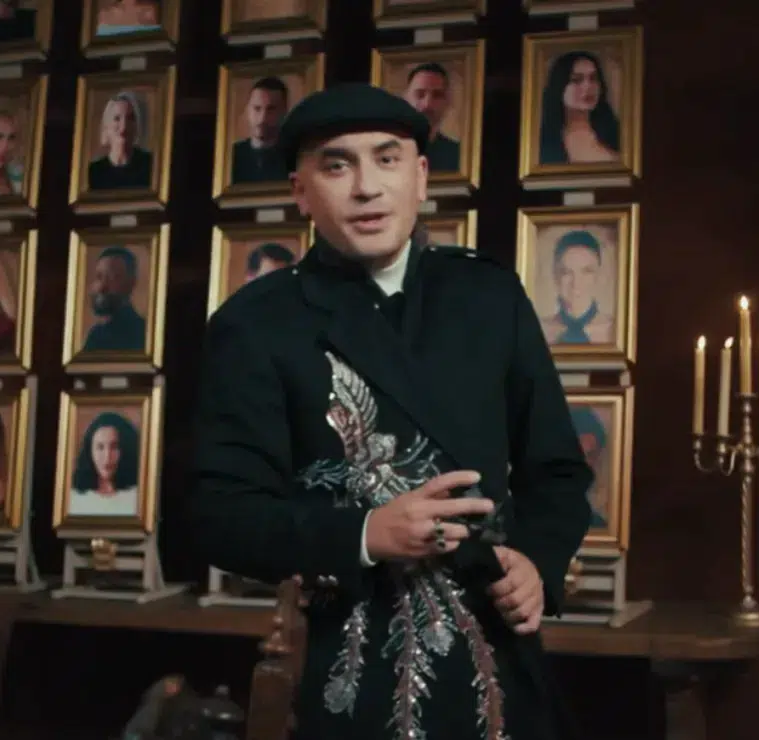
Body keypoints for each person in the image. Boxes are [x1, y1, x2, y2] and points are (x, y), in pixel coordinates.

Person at [188, 83, 593, 740]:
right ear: (300, 191)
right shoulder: (256, 325)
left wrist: (536, 565)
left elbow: (558, 472)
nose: (367, 188)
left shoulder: (488, 296)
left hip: (497, 656)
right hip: (345, 666)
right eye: (338, 165)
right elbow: (218, 517)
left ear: (421, 176)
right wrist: (366, 532)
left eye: (387, 159)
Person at [538, 51, 621, 165]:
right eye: (576, 80)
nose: (588, 87)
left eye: (593, 78)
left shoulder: (615, 133)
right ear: (559, 87)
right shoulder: (545, 141)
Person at [537, 229, 615, 345]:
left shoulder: (615, 330)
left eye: (587, 271)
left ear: (599, 275)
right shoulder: (538, 329)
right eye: (567, 272)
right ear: (555, 275)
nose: (576, 282)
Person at [68, 411, 141, 517]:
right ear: (89, 451)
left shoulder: (139, 496)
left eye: (114, 447)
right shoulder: (74, 498)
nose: (107, 457)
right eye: (100, 447)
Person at [400, 62, 461, 172]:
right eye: (419, 94)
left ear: (447, 102)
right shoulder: (386, 150)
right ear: (405, 99)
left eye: (437, 95)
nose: (427, 104)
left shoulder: (459, 155)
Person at [82, 246, 147, 352]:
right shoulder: (97, 334)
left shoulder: (142, 333)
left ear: (131, 283)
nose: (102, 287)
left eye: (112, 278)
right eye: (99, 277)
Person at [88, 91, 154, 190]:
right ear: (106, 126)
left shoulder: (150, 164)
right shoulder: (94, 171)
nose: (124, 126)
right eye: (117, 118)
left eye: (130, 118)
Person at [230, 77, 289, 183]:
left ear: (284, 111)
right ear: (248, 110)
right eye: (257, 108)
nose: (262, 118)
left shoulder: (295, 156)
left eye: (271, 109)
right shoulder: (230, 157)